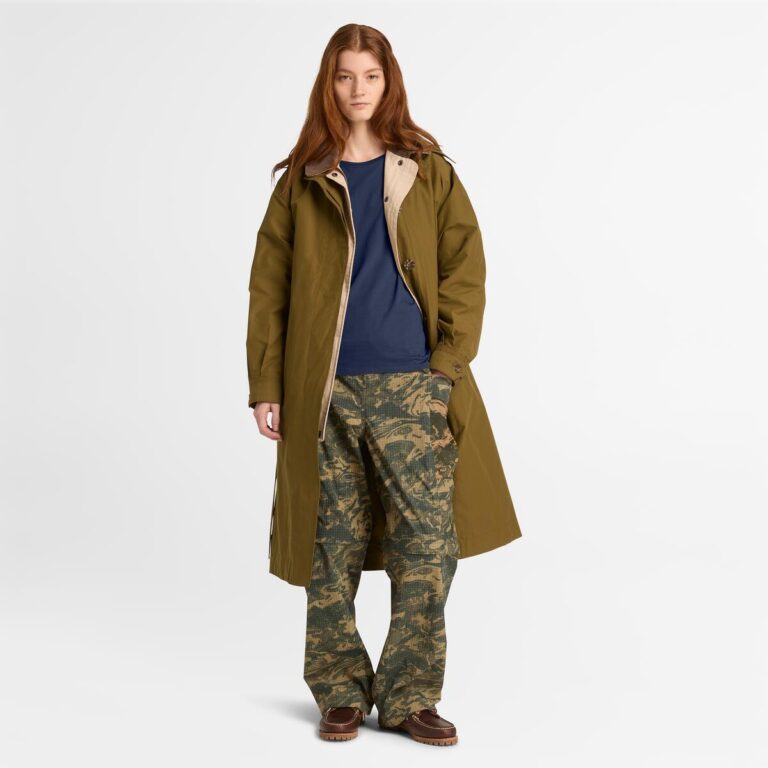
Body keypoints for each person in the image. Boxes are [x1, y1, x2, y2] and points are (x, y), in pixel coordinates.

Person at [246, 23, 522, 745]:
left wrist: (444, 371)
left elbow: (466, 271)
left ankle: (408, 696)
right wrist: (268, 383)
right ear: (328, 83)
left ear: (388, 81)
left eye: (369, 75)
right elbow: (268, 287)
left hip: (412, 388)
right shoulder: (302, 180)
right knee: (329, 547)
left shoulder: (428, 170)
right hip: (324, 392)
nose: (357, 89)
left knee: (428, 545)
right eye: (344, 76)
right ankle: (339, 689)